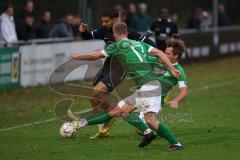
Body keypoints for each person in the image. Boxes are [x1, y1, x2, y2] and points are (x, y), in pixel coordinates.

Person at [69, 22, 183, 150]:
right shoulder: (139, 43)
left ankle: (172, 142)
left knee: (142, 118)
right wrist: (172, 69)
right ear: (127, 33)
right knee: (122, 112)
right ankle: (153, 134)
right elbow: (160, 53)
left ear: (114, 34)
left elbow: (96, 55)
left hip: (149, 87)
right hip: (150, 86)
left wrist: (78, 56)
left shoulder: (117, 46)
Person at [79, 8, 155, 139]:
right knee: (94, 98)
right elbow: (88, 36)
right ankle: (104, 129)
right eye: (102, 21)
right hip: (107, 65)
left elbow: (149, 43)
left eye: (106, 21)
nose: (103, 23)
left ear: (115, 19)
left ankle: (113, 113)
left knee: (98, 91)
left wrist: (150, 58)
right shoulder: (104, 30)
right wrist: (83, 31)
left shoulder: (127, 32)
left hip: (119, 67)